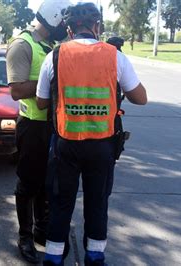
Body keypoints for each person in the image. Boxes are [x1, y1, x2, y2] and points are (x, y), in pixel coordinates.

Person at [36, 3, 148, 265]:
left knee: (61, 203)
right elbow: (140, 98)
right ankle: (95, 257)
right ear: (97, 27)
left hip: (65, 144)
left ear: (68, 29)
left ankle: (53, 259)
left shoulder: (54, 56)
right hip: (101, 147)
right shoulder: (115, 56)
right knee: (97, 204)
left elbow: (42, 102)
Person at [5, 0, 72, 263]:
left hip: (53, 124)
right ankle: (23, 236)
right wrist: (50, 82)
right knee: (28, 183)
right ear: (54, 20)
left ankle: (39, 230)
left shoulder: (51, 46)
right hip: (32, 126)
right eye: (63, 23)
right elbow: (17, 90)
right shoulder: (23, 45)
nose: (65, 28)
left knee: (47, 183)